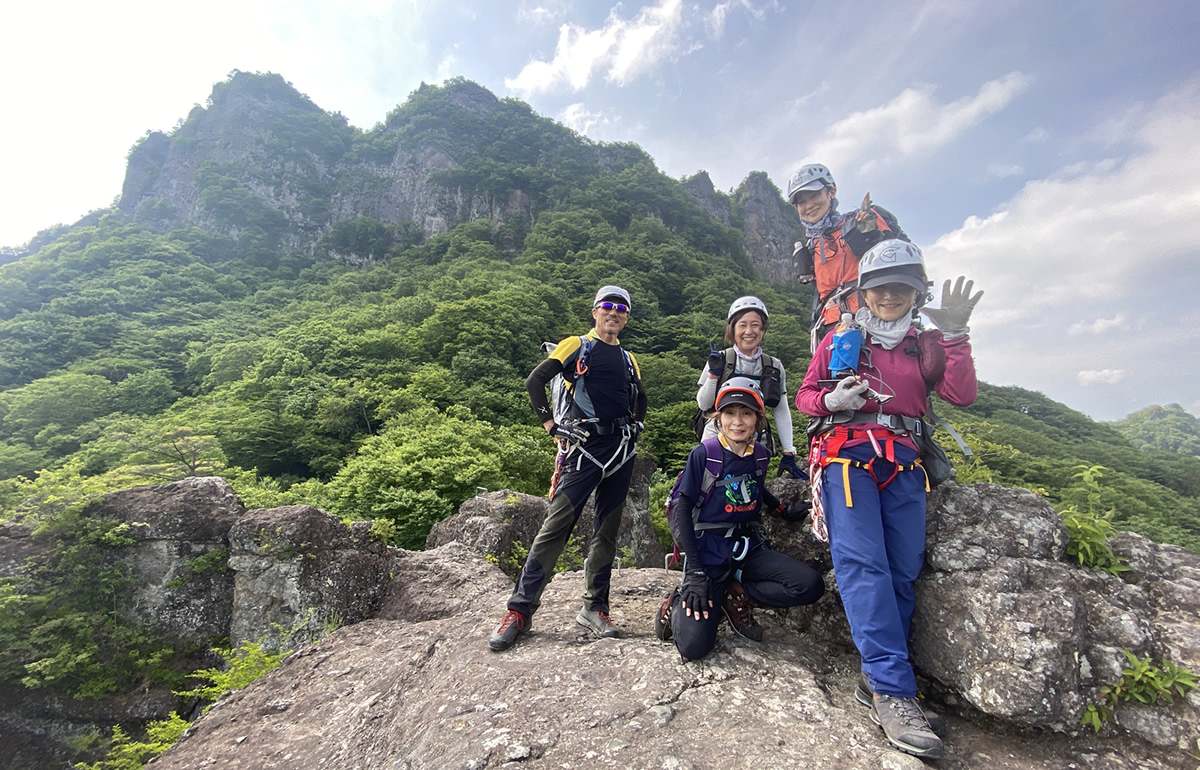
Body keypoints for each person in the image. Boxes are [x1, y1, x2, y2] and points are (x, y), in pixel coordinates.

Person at [796, 239, 982, 759]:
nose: (890, 296)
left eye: (901, 288)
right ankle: (892, 691)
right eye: (881, 288)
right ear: (865, 292)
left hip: (903, 462)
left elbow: (962, 394)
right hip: (845, 455)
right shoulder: (842, 336)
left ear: (916, 293)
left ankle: (879, 676)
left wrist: (957, 335)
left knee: (903, 570)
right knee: (863, 567)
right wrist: (832, 399)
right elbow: (807, 396)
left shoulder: (925, 344)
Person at [488, 285, 648, 652]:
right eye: (607, 305)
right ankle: (519, 611)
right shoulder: (576, 344)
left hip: (620, 452)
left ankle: (595, 608)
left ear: (626, 316)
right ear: (595, 311)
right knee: (554, 529)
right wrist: (551, 426)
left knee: (606, 532)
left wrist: (638, 425)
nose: (614, 312)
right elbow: (535, 381)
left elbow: (641, 396)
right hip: (584, 450)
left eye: (621, 307)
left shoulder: (628, 358)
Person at [655, 377, 824, 661]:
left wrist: (782, 509)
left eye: (746, 413)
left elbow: (754, 486)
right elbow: (682, 508)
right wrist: (694, 572)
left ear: (758, 419)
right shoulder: (704, 454)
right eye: (730, 413)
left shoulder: (759, 454)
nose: (738, 421)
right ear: (718, 417)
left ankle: (736, 595)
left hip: (745, 550)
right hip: (707, 555)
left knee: (809, 585)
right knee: (693, 647)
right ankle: (676, 601)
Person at [786, 163, 905, 349]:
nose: (809, 205)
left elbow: (899, 259)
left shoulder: (861, 220)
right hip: (831, 328)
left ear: (831, 192)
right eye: (801, 202)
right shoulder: (812, 245)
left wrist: (872, 235)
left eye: (815, 195)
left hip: (875, 321)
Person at [696, 296, 804, 478]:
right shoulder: (720, 359)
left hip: (754, 438)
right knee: (709, 486)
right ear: (733, 329)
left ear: (763, 329)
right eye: (742, 325)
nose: (749, 331)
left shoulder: (773, 366)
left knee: (747, 492)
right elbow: (704, 404)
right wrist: (713, 375)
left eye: (755, 325)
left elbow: (781, 409)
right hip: (716, 436)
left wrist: (788, 450)